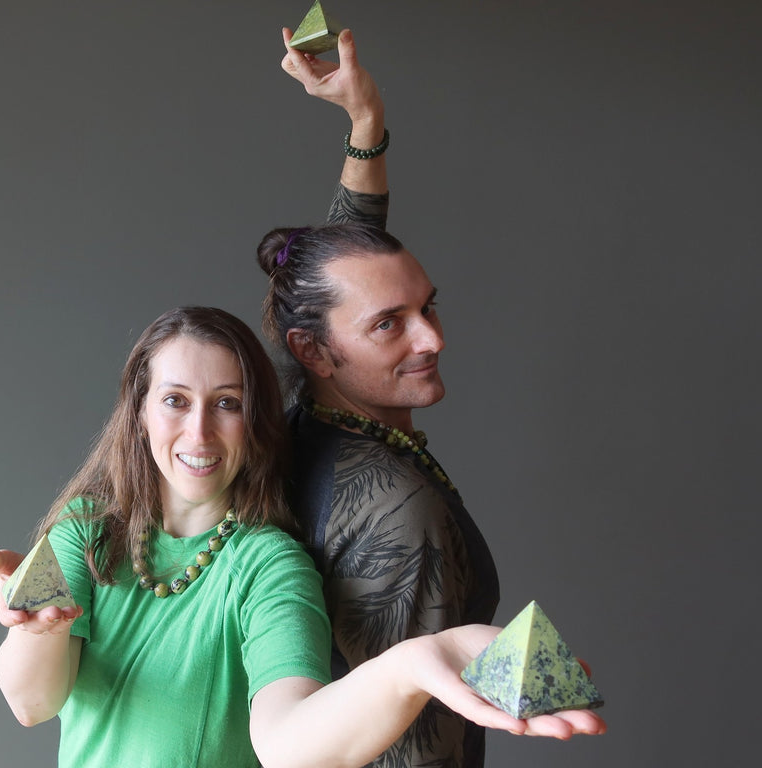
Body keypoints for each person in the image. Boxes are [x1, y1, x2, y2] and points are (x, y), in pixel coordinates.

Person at [0, 305, 604, 768]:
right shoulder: (83, 533)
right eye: (175, 400)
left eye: (226, 404)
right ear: (140, 412)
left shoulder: (268, 565)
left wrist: (414, 665)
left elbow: (288, 744)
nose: (199, 432)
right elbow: (32, 703)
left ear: (253, 421)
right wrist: (41, 627)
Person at [253, 31, 500, 768]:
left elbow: (349, 272)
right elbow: (411, 744)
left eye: (428, 307)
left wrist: (364, 126)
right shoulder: (396, 508)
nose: (431, 338)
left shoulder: (296, 425)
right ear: (314, 351)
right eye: (391, 326)